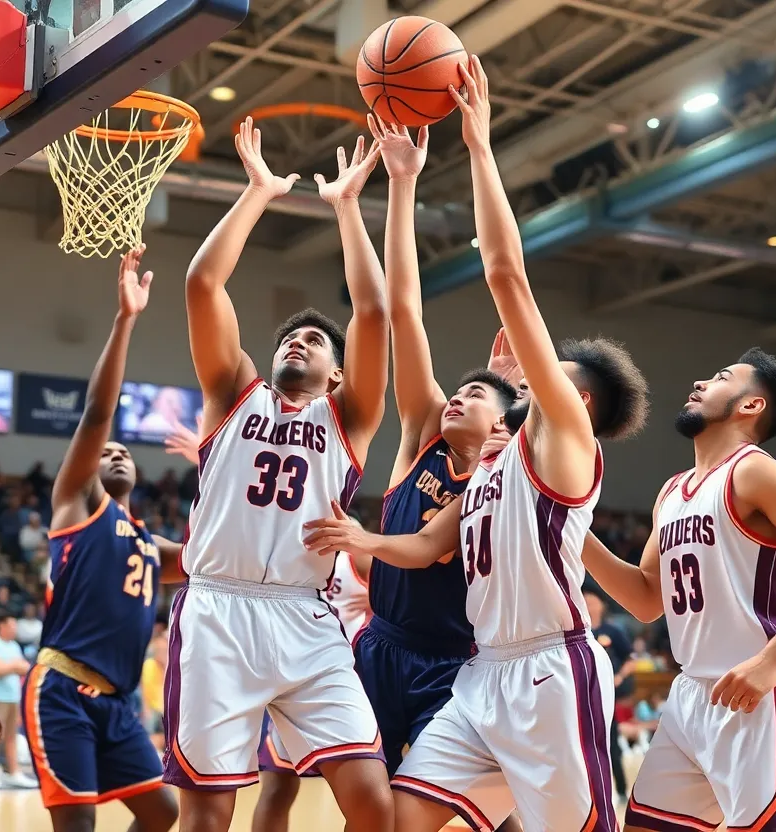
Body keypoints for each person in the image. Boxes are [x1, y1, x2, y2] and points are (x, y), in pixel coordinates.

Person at [304, 56, 650, 830]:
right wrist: (401, 183)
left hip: (549, 671)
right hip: (480, 674)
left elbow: (506, 276)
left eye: (545, 367)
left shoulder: (564, 438)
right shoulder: (490, 466)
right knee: (397, 817)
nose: (527, 366)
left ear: (576, 398)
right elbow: (427, 542)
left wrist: (481, 143)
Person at [167, 119, 392, 832]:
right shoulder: (234, 390)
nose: (300, 339)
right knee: (207, 811)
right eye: (291, 336)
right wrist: (258, 191)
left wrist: (350, 208)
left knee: (370, 799)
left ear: (335, 371)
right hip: (219, 613)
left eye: (317, 340)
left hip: (306, 617)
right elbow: (203, 282)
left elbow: (377, 312)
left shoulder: (348, 417)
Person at [577, 346, 776, 830]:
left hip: (761, 688)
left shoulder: (755, 471)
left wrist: (775, 658)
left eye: (719, 377)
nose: (699, 383)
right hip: (691, 695)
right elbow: (647, 598)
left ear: (751, 405)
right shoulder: (671, 491)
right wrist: (571, 526)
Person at [356, 113, 523, 812]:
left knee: (456, 808)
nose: (456, 398)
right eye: (456, 391)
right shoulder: (423, 435)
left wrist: (520, 386)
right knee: (369, 807)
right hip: (380, 649)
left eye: (475, 394)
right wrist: (401, 185)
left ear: (506, 421)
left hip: (457, 664)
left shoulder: (514, 472)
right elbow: (404, 312)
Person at [25, 246, 184, 832]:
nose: (116, 452)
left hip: (117, 705)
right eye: (107, 453)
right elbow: (97, 415)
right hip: (64, 689)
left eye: (126, 453)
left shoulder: (147, 541)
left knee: (162, 812)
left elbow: (209, 558)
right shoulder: (77, 504)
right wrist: (126, 320)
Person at [252, 546, 374, 832]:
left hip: (350, 682)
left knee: (362, 792)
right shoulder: (288, 555)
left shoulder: (357, 556)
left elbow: (398, 598)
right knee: (278, 787)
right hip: (299, 676)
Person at [586, 592, 637, 802]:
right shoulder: (578, 631)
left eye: (592, 601)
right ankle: (592, 797)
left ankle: (623, 791)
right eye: (585, 600)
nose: (589, 604)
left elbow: (631, 659)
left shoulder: (612, 630)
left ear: (601, 605)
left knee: (612, 745)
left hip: (606, 698)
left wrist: (618, 677)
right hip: (583, 697)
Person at [0, 614, 35, 788]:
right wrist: (13, 666)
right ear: (2, 626)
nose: (15, 630)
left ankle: (14, 772)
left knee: (12, 736)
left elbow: (26, 668)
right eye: (11, 626)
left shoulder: (14, 646)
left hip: (14, 698)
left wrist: (11, 666)